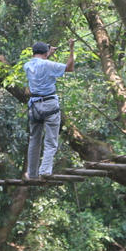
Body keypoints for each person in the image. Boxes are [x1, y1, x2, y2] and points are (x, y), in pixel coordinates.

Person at [24, 40, 74, 179]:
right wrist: (71, 49)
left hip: (34, 106)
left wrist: (48, 53)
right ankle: (45, 170)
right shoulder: (48, 64)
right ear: (45, 53)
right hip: (49, 104)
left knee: (34, 140)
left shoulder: (27, 65)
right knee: (51, 140)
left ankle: (32, 173)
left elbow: (41, 66)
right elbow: (69, 68)